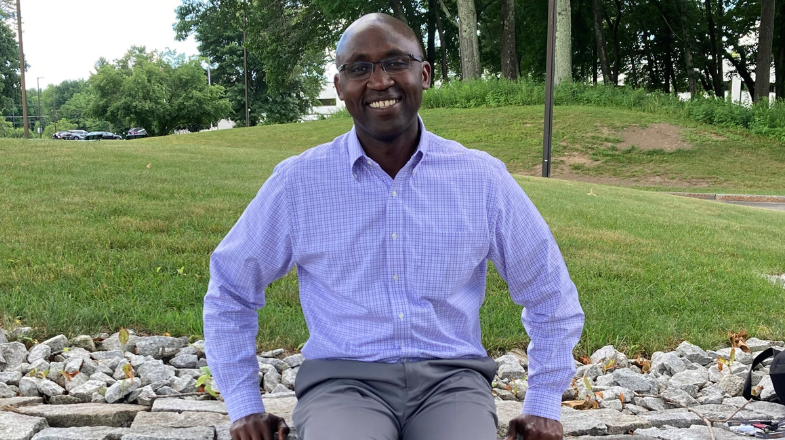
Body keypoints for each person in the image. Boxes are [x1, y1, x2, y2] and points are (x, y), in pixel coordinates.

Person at [204, 13, 585, 440]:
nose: (379, 80)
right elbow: (231, 289)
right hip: (342, 382)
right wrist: (243, 407)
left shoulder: (482, 179)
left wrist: (544, 405)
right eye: (359, 68)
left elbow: (550, 293)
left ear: (424, 75)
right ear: (339, 87)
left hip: (452, 382)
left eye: (395, 62)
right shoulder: (298, 183)